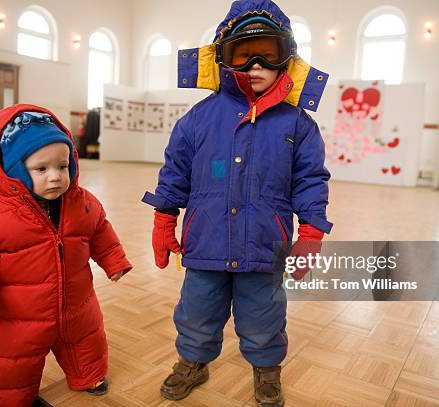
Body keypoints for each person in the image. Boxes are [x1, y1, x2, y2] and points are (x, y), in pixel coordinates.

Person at [141, 1, 332, 406]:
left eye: (268, 53)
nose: (256, 64)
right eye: (243, 55)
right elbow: (174, 171)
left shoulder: (298, 124)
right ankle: (193, 361)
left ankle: (266, 369)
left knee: (264, 317)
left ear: (287, 58)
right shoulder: (197, 119)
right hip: (205, 243)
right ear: (224, 59)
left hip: (263, 246)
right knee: (196, 311)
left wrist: (311, 232)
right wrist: (163, 219)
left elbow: (311, 180)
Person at [0, 104, 133, 407]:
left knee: (87, 342)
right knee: (14, 361)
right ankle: (15, 398)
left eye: (62, 166)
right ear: (15, 170)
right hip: (18, 316)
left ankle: (89, 375)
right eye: (41, 169)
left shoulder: (83, 203)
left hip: (77, 304)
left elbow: (100, 232)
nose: (56, 177)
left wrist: (114, 261)